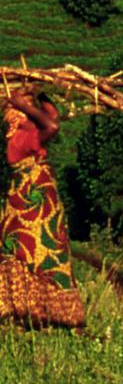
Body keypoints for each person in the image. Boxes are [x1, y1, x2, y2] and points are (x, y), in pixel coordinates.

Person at [0, 84, 86, 330]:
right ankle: (31, 314)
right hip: (29, 214)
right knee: (33, 256)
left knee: (50, 256)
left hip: (42, 213)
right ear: (17, 116)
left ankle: (47, 314)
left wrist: (42, 92)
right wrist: (25, 104)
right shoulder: (20, 139)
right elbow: (53, 126)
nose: (33, 112)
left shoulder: (29, 132)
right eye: (27, 110)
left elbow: (53, 116)